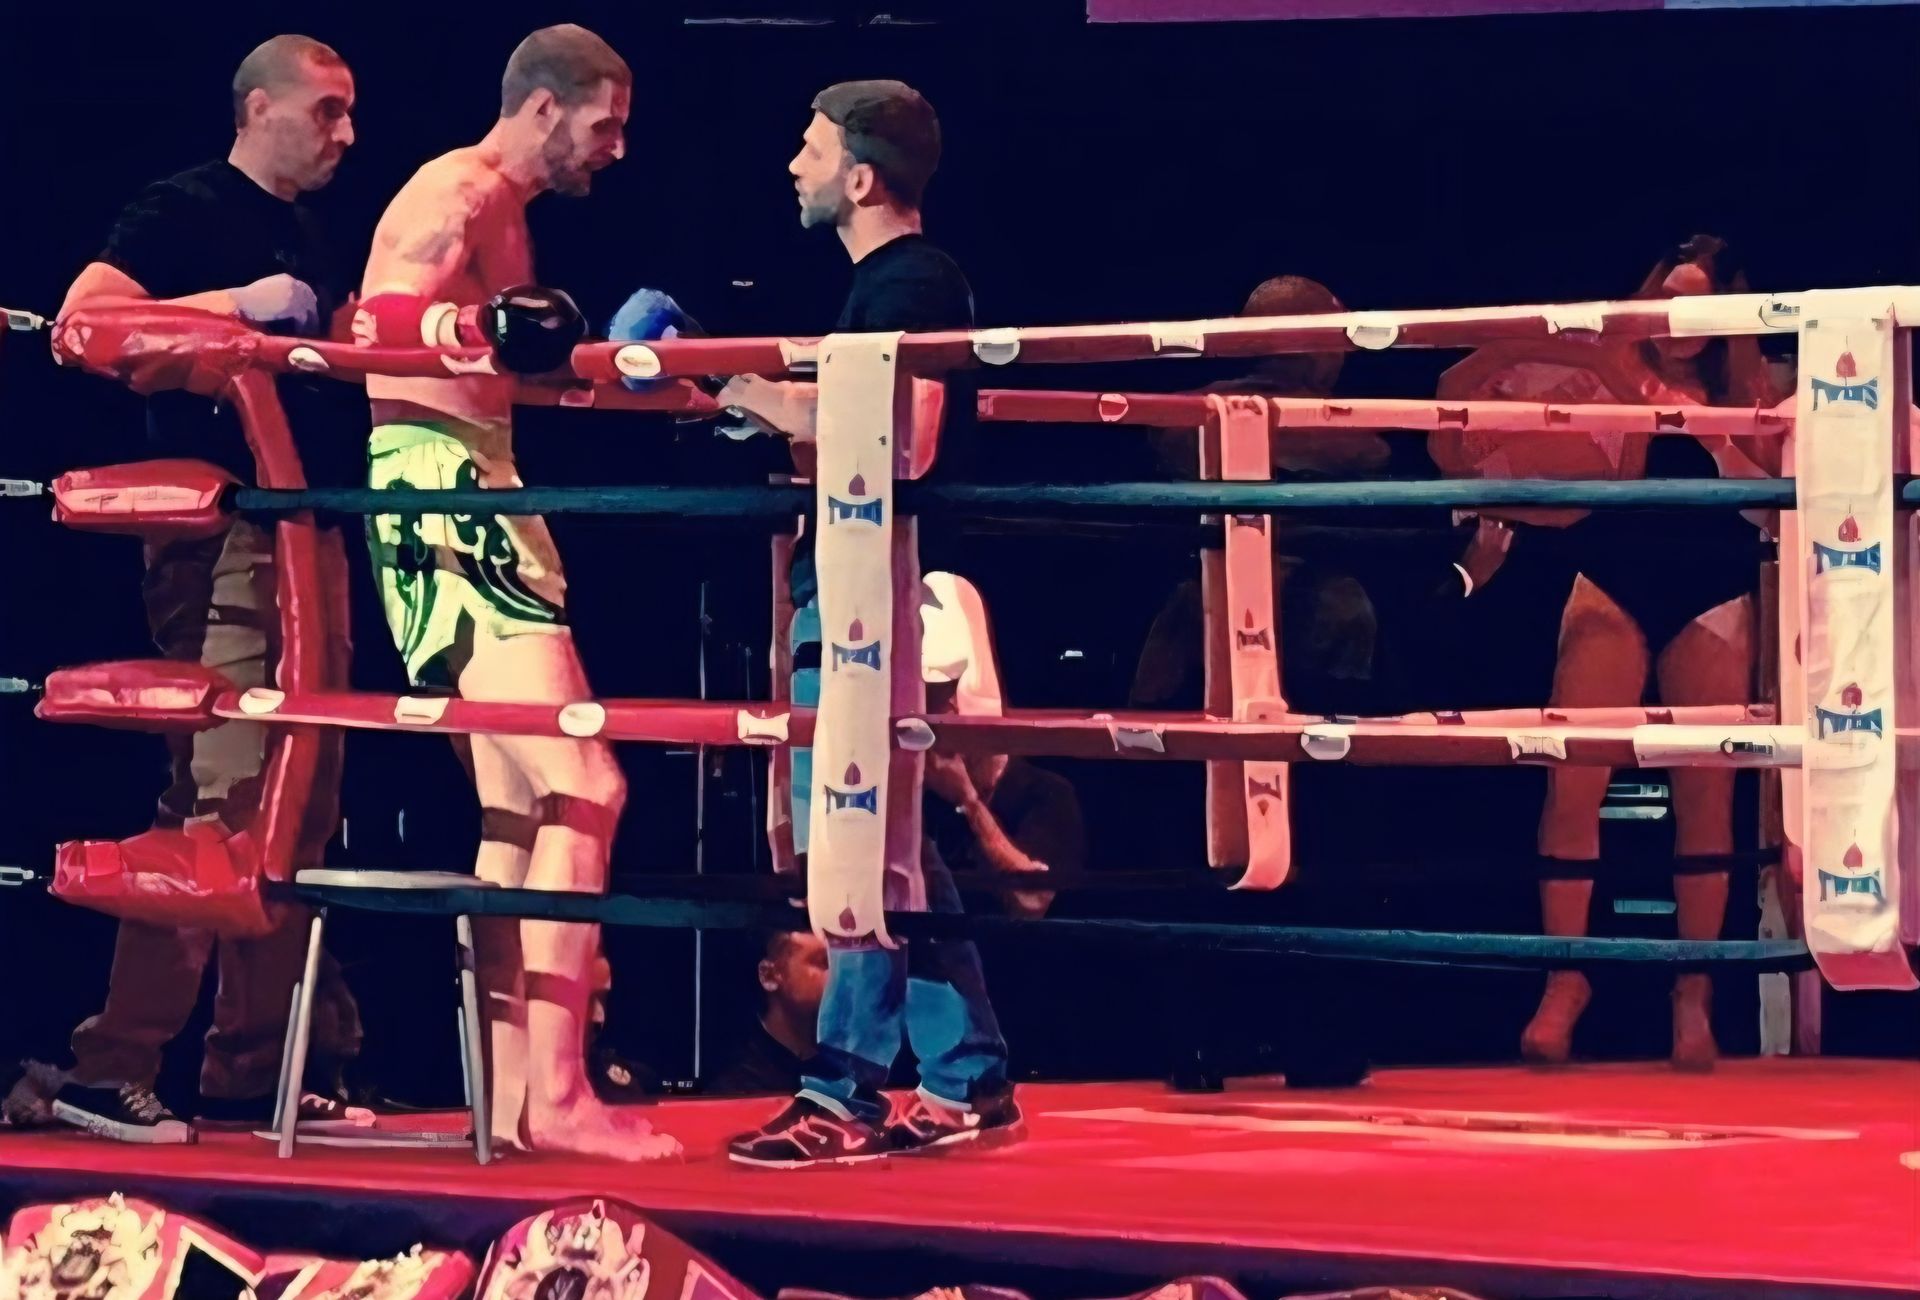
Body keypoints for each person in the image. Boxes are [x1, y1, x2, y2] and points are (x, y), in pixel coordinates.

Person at [18, 35, 366, 1144]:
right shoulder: (182, 209)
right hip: (221, 535)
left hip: (311, 526)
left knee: (302, 796)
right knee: (222, 785)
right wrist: (234, 306)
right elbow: (86, 322)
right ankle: (105, 1061)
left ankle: (256, 1067)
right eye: (326, 111)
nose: (344, 135)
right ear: (258, 108)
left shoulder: (311, 228)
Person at [353, 24, 675, 1160]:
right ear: (546, 107)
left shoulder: (504, 211)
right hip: (447, 495)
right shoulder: (460, 187)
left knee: (519, 805)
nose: (616, 149)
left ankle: (508, 1102)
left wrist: (626, 374)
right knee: (586, 781)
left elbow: (490, 372)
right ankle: (561, 1097)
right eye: (606, 123)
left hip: (463, 481)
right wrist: (473, 327)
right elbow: (374, 325)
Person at [720, 81, 1022, 1168]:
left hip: (866, 595)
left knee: (857, 841)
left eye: (809, 150)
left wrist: (761, 394)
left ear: (859, 176)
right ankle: (966, 1074)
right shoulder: (881, 287)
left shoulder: (913, 281)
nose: (793, 168)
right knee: (889, 849)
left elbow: (905, 439)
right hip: (845, 585)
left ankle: (843, 1090)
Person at [1433, 235, 1786, 1071]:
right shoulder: (1598, 368)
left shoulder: (1762, 388)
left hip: (1712, 582)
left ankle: (1692, 993)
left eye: (1700, 305)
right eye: (1670, 300)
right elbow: (1512, 425)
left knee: (1705, 796)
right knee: (1571, 780)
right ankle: (1565, 979)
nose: (1680, 323)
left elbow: (1772, 498)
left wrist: (1705, 427)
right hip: (1613, 576)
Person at [709, 931, 830, 1097]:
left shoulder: (850, 1069)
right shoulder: (736, 1083)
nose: (841, 974)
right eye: (825, 962)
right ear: (769, 975)